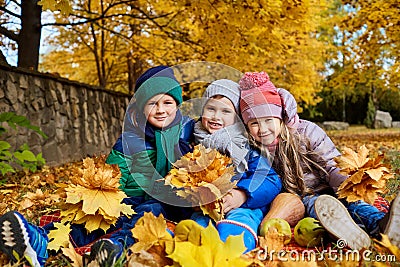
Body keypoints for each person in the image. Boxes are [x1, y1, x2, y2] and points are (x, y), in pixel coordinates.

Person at [0, 66, 195, 267]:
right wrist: (107, 201)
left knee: (147, 215)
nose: (161, 110)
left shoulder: (186, 136)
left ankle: (113, 249)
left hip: (164, 205)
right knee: (94, 218)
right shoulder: (131, 140)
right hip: (128, 198)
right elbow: (114, 174)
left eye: (167, 102)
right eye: (153, 103)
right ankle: (40, 240)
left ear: (177, 105)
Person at [238, 71, 400, 250]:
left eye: (268, 120)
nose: (263, 129)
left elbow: (332, 165)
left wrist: (347, 184)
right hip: (303, 198)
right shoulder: (253, 150)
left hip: (329, 186)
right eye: (254, 123)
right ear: (246, 125)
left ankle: (382, 225)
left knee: (353, 203)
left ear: (280, 116)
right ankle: (350, 232)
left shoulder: (306, 132)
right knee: (319, 207)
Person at [190, 79, 282, 253]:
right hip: (206, 208)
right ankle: (196, 252)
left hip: (244, 205)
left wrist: (243, 194)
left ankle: (231, 251)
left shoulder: (243, 145)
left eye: (226, 111)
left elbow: (269, 179)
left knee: (239, 222)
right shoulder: (191, 142)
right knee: (197, 227)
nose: (216, 116)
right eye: (211, 109)